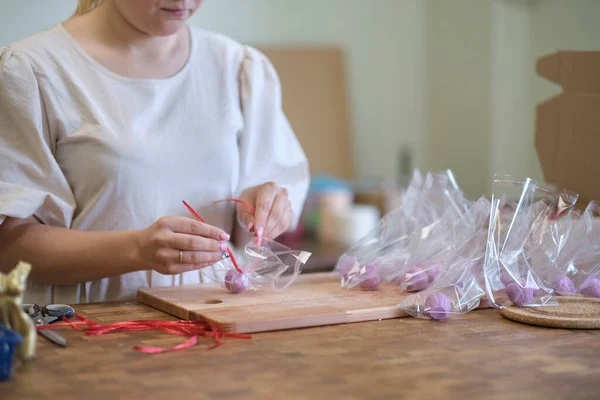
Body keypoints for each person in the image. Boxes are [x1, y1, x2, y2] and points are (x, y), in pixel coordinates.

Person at [0, 0, 310, 304]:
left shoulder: (238, 67)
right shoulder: (32, 70)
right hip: (85, 332)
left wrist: (259, 209)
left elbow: (251, 233)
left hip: (214, 323)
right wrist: (135, 249)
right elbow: (9, 246)